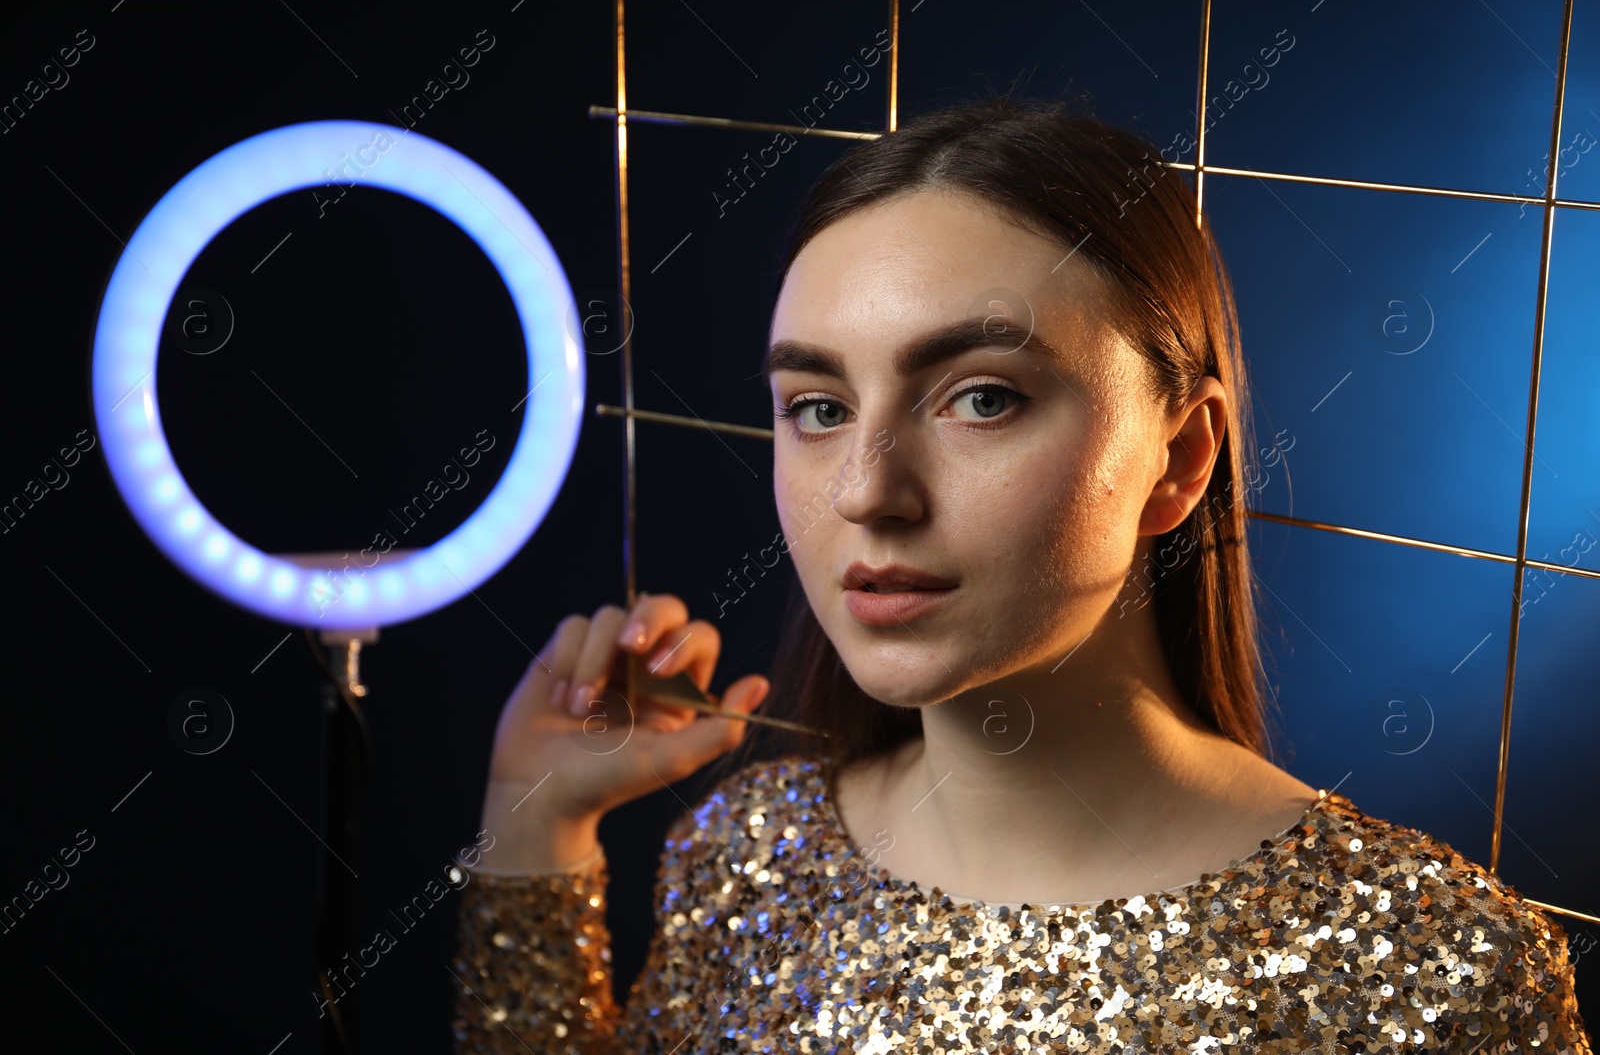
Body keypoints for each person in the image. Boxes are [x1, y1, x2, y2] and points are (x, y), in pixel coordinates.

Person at [449, 96, 1592, 1053]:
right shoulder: (746, 855)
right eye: (818, 406)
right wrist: (532, 823)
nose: (865, 489)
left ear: (1179, 456)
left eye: (982, 397)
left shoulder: (1438, 971)